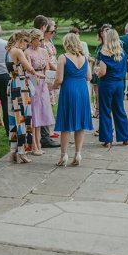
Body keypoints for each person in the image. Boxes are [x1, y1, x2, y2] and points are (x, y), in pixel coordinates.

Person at [53, 33, 93, 167]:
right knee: (80, 123)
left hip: (69, 90)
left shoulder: (63, 57)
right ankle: (78, 153)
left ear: (66, 43)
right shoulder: (84, 58)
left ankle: (63, 155)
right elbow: (89, 77)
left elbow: (59, 80)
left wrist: (51, 86)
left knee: (66, 123)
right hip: (82, 90)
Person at [5, 31, 40, 164]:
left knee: (13, 119)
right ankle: (22, 152)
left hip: (12, 85)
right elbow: (30, 68)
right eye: (26, 42)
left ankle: (13, 151)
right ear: (21, 40)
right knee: (23, 119)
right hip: (20, 87)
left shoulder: (8, 51)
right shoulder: (18, 51)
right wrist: (38, 74)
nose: (27, 45)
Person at [96, 29, 128, 148]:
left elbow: (103, 71)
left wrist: (97, 74)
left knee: (105, 110)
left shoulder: (104, 53)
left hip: (107, 84)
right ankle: (125, 136)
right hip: (119, 84)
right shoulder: (121, 53)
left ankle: (107, 139)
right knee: (119, 109)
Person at [25, 29, 56, 156]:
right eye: (40, 39)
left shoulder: (43, 51)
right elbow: (28, 71)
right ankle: (34, 145)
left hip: (43, 84)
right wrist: (37, 77)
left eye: (43, 39)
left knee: (41, 113)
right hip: (33, 83)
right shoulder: (27, 52)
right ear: (33, 39)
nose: (42, 42)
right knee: (34, 114)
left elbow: (47, 68)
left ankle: (39, 143)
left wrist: (49, 83)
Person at [33, 15, 61, 148]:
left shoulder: (44, 41)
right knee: (43, 105)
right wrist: (58, 70)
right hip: (41, 76)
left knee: (46, 104)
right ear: (43, 27)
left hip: (47, 74)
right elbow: (46, 60)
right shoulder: (39, 41)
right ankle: (44, 137)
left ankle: (44, 135)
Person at [90, 24, 111, 119]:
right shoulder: (99, 46)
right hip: (96, 71)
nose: (104, 33)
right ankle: (97, 110)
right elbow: (97, 59)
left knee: (99, 93)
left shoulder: (108, 46)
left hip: (102, 71)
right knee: (96, 92)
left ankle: (98, 111)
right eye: (103, 31)